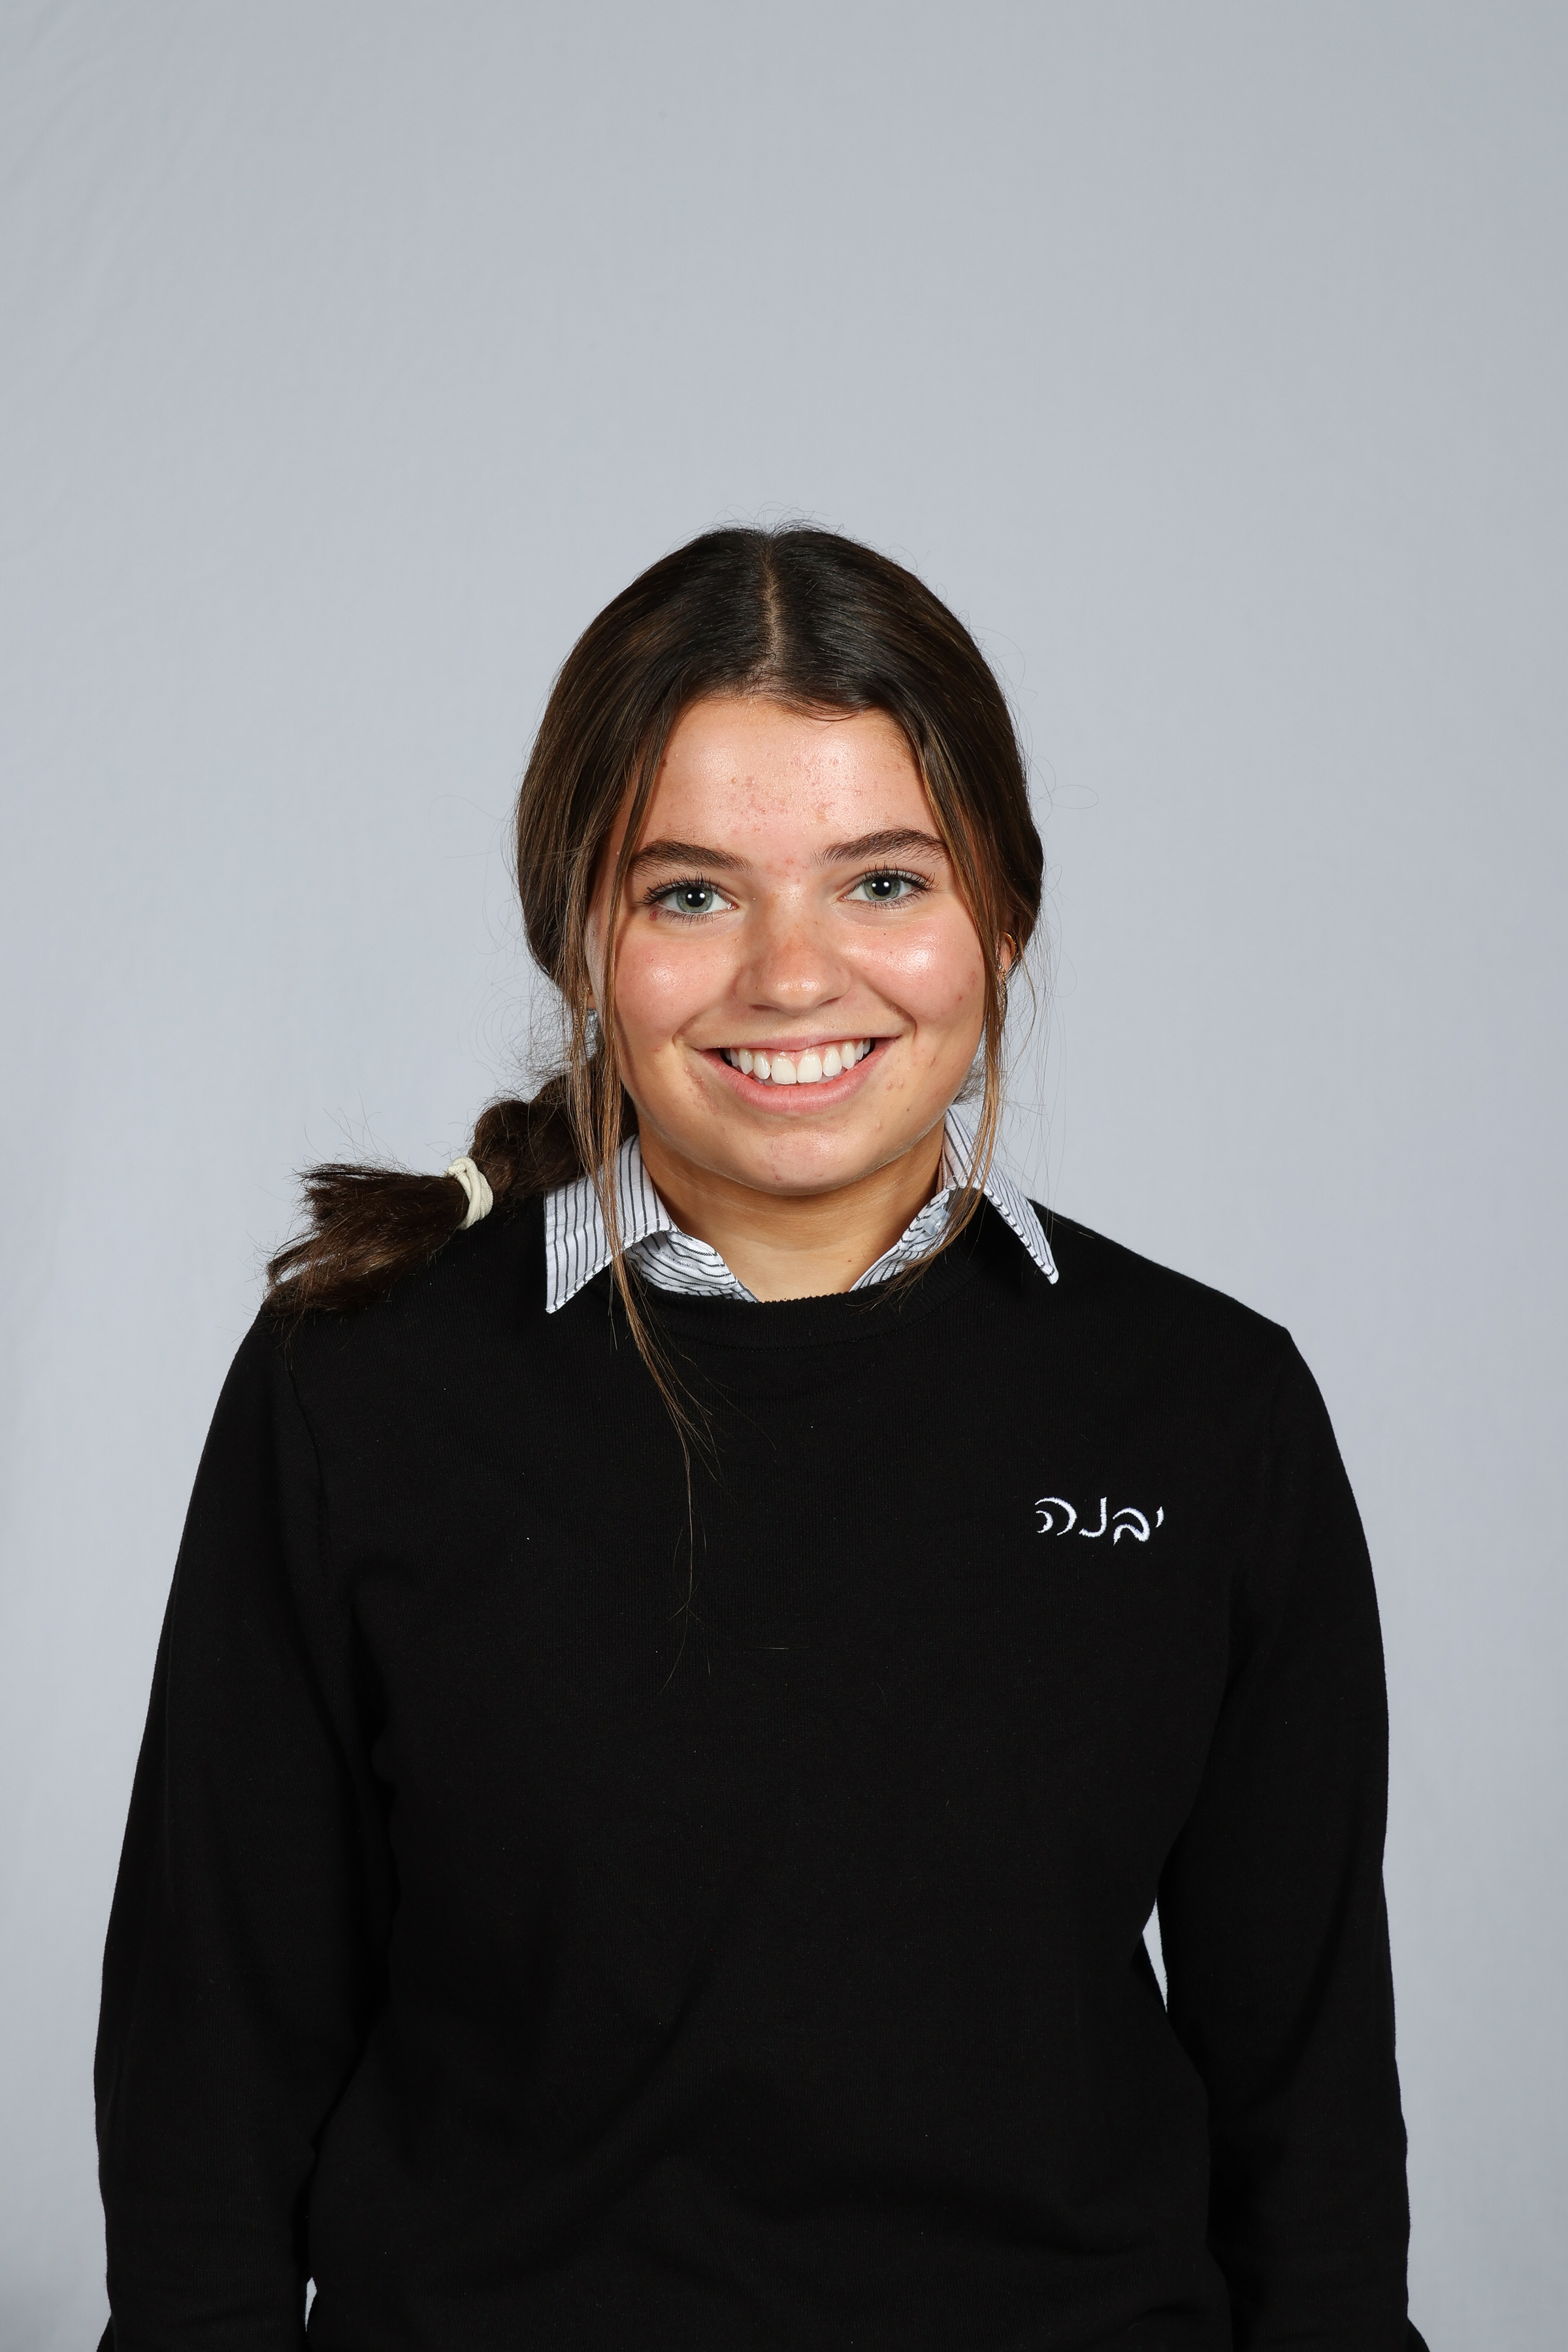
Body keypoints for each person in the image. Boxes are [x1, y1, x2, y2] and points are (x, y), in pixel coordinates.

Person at [94, 525, 1426, 2351]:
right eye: (693, 895)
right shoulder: (356, 1393)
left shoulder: (1209, 1409)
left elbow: (1311, 2113)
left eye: (883, 881)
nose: (795, 977)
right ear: (581, 937)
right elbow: (211, 2063)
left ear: (1004, 918)